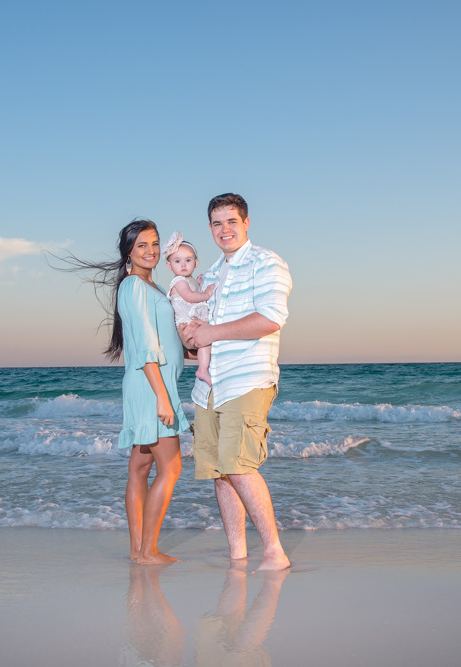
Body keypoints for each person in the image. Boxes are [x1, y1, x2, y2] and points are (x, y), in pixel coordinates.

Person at [181, 193, 292, 571]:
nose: (224, 229)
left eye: (231, 221)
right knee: (218, 470)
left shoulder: (267, 262)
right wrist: (191, 337)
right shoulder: (210, 275)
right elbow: (199, 339)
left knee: (239, 464)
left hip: (248, 378)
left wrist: (210, 332)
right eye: (216, 223)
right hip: (209, 385)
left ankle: (275, 552)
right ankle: (237, 555)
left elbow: (270, 318)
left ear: (247, 223)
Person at [66, 219, 187, 564]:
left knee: (140, 467)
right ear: (128, 255)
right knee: (172, 468)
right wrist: (163, 397)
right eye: (141, 246)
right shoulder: (134, 286)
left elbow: (164, 340)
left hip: (147, 385)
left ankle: (138, 551)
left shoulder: (152, 288)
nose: (150, 251)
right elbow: (148, 346)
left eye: (154, 244)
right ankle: (148, 551)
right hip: (152, 388)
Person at [162, 231, 215, 386]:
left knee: (207, 342)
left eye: (188, 260)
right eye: (177, 261)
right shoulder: (178, 281)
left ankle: (205, 368)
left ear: (196, 263)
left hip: (192, 322)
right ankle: (203, 370)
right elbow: (190, 297)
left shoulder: (189, 280)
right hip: (186, 324)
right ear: (169, 265)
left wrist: (198, 283)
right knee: (205, 341)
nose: (183, 264)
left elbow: (193, 291)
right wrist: (206, 293)